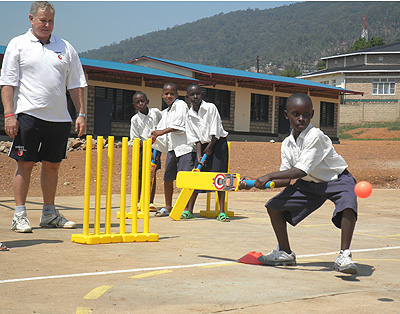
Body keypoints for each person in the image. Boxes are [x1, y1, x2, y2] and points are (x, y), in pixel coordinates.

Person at [242, 93, 358, 274]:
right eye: (296, 114)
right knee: (274, 207)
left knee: (348, 203)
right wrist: (252, 182)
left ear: (312, 114)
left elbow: (301, 170)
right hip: (309, 185)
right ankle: (285, 252)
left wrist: (269, 175)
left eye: (306, 114)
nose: (301, 118)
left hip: (337, 180)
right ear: (286, 115)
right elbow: (287, 179)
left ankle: (344, 255)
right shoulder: (287, 143)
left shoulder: (315, 135)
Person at [0, 1, 87, 233]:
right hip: (28, 115)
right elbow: (7, 83)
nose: (47, 25)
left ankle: (49, 213)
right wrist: (9, 115)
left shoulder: (65, 47)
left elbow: (76, 84)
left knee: (52, 166)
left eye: (50, 21)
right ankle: (19, 215)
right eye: (42, 20)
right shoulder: (18, 44)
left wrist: (81, 113)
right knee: (25, 164)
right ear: (31, 19)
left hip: (58, 119)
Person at [184, 83, 230, 221]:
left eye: (197, 94)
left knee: (219, 177)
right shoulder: (189, 115)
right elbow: (194, 137)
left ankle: (221, 211)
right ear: (187, 97)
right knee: (197, 176)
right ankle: (189, 209)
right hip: (202, 147)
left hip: (217, 143)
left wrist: (210, 148)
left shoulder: (210, 108)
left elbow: (215, 132)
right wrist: (199, 155)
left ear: (202, 95)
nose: (195, 97)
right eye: (192, 95)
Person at [150, 82, 195, 217]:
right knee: (168, 178)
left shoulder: (180, 105)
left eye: (172, 94)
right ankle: (168, 206)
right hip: (172, 149)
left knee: (185, 179)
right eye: (166, 93)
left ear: (177, 95)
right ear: (162, 95)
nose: (169, 96)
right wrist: (154, 145)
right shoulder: (166, 112)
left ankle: (186, 209)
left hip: (185, 148)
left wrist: (160, 132)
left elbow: (179, 126)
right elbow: (159, 133)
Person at [130, 91, 162, 211]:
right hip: (142, 149)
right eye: (137, 102)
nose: (141, 104)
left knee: (152, 174)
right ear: (134, 105)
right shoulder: (135, 119)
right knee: (140, 174)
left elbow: (163, 123)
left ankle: (150, 202)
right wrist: (145, 146)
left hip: (156, 148)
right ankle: (138, 201)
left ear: (147, 101)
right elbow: (134, 138)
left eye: (142, 101)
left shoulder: (155, 112)